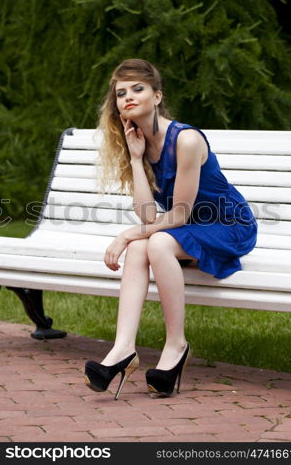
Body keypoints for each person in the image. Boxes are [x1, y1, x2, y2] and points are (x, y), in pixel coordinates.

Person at [84, 58, 257, 399]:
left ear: (158, 96)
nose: (128, 97)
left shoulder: (186, 140)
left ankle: (176, 346)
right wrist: (135, 159)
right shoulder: (139, 144)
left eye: (138, 89)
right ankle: (123, 349)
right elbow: (149, 215)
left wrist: (125, 233)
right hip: (186, 228)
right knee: (141, 246)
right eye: (121, 93)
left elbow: (177, 215)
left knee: (155, 242)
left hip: (228, 225)